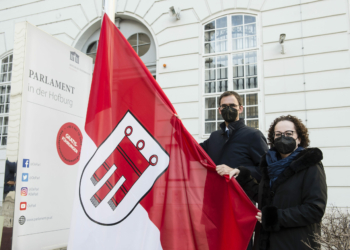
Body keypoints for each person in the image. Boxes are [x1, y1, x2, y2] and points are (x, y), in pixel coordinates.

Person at [227, 115, 327, 250]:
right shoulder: (269, 165)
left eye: (289, 134)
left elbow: (314, 209)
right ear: (273, 139)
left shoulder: (310, 165)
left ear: (299, 138)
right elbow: (263, 197)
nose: (283, 137)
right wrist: (243, 176)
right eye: (278, 134)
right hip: (266, 242)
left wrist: (275, 217)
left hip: (296, 243)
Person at [200, 91, 268, 181]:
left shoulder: (254, 135)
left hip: (240, 193)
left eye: (232, 105)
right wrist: (177, 127)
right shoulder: (214, 136)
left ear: (240, 109)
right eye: (224, 106)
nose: (228, 109)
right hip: (216, 192)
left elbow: (266, 169)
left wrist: (237, 171)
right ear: (219, 110)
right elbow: (192, 148)